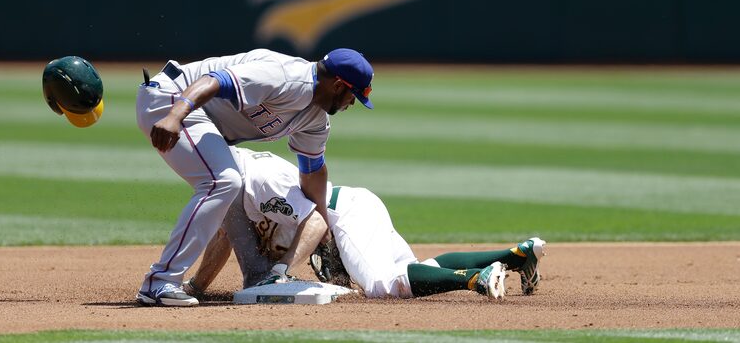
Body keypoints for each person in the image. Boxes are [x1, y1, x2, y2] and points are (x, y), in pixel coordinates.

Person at [134, 48, 374, 306]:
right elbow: (212, 81)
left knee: (230, 183)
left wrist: (324, 232)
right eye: (354, 96)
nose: (352, 103)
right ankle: (159, 282)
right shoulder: (283, 76)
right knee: (223, 181)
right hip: (174, 97)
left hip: (199, 116)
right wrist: (174, 116)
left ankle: (230, 279)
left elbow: (313, 170)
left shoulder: (315, 118)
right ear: (338, 85)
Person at [189, 148, 546, 301]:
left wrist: (280, 269)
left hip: (346, 214)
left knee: (383, 285)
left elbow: (316, 222)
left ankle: (474, 280)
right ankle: (518, 256)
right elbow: (223, 237)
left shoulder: (258, 176)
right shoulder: (231, 187)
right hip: (357, 203)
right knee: (412, 271)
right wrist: (196, 287)